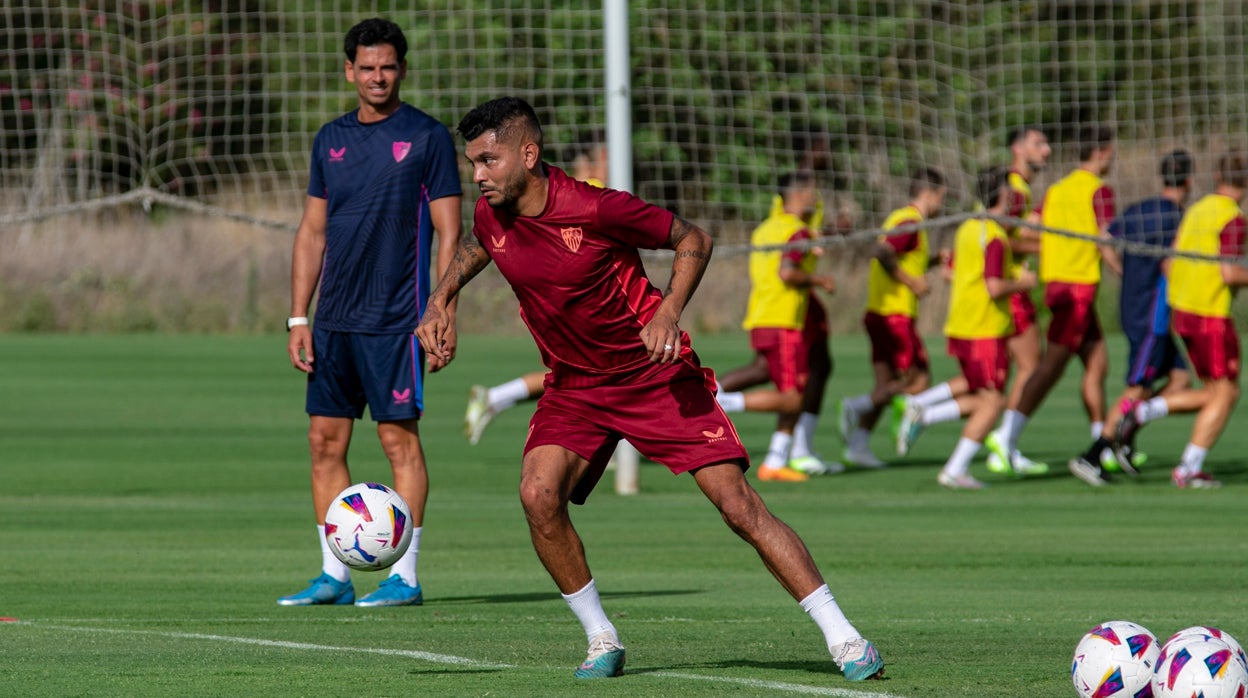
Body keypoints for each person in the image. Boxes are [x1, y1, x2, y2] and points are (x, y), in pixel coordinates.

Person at [415, 97, 884, 682]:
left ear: (528, 154)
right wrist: (441, 301)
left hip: (651, 374)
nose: (478, 176)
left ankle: (845, 637)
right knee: (538, 496)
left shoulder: (593, 205)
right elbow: (476, 246)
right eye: (472, 164)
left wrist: (667, 311)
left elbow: (694, 239)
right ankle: (601, 638)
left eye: (489, 161)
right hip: (575, 387)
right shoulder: (492, 213)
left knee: (739, 508)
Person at [279, 18, 462, 607]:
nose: (377, 76)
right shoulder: (329, 138)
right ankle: (334, 573)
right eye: (366, 67)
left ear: (402, 69)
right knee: (321, 443)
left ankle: (403, 575)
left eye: (387, 66)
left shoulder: (428, 137)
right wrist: (298, 317)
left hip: (397, 320)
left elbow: (449, 232)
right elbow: (311, 232)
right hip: (332, 321)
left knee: (396, 441)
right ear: (349, 70)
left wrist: (442, 309)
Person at [986, 125, 1122, 478]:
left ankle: (1102, 445)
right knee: (1049, 368)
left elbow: (1029, 231)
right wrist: (1125, 272)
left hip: (1059, 287)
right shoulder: (1099, 190)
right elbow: (1105, 241)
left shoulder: (1057, 189)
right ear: (1103, 152)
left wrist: (1059, 250)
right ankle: (1006, 435)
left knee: (1098, 365)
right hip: (1076, 290)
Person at [1114, 151, 1248, 489]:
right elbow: (1230, 272)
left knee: (1218, 391)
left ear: (1218, 175)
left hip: (1183, 311)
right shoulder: (1233, 219)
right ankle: (1188, 468)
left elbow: (1171, 262)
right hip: (1210, 315)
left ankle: (1146, 414)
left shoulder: (1197, 210)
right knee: (1227, 391)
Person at [463, 139, 609, 445]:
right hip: (583, 314)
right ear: (595, 163)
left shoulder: (567, 194)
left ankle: (494, 397)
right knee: (584, 377)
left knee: (577, 378)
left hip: (563, 312)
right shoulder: (593, 192)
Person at [905, 167, 1037, 488]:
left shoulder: (967, 227)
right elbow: (993, 287)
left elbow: (952, 273)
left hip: (962, 324)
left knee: (980, 391)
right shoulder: (993, 236)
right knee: (992, 402)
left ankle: (923, 411)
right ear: (1003, 194)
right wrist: (1022, 283)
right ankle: (955, 468)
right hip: (984, 327)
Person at [1067, 150, 1193, 485]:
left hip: (1133, 308)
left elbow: (1105, 238)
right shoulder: (1177, 218)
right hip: (1152, 316)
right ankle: (1093, 455)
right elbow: (1171, 264)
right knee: (1136, 388)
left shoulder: (1140, 209)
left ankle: (1125, 434)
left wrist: (1120, 269)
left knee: (1180, 379)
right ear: (1190, 181)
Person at [715, 171, 841, 481]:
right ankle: (721, 401)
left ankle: (775, 459)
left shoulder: (765, 229)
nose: (816, 199)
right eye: (812, 192)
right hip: (783, 320)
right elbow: (787, 272)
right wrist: (818, 279)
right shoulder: (796, 232)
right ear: (798, 195)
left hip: (761, 315)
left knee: (776, 376)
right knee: (792, 396)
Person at [837, 168, 946, 467]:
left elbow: (900, 257)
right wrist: (913, 283)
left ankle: (858, 446)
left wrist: (935, 261)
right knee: (921, 381)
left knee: (886, 385)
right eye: (941, 197)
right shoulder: (910, 221)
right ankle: (855, 407)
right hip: (895, 315)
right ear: (928, 194)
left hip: (879, 313)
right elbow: (884, 253)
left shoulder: (901, 219)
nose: (941, 204)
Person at [983, 126, 1052, 475]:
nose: (1047, 150)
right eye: (1038, 143)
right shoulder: (1014, 191)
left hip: (1014, 286)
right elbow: (1005, 241)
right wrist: (1054, 245)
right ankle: (1004, 442)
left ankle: (1005, 442)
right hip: (1009, 288)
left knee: (1014, 371)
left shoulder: (1019, 189)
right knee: (1029, 366)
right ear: (1017, 148)